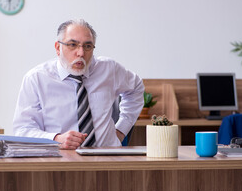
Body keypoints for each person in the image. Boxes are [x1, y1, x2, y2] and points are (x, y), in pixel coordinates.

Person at [12, 19, 144, 149]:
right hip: (61, 160)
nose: (81, 53)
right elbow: (22, 130)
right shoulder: (37, 78)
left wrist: (121, 129)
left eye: (87, 46)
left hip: (108, 157)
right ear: (58, 48)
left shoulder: (108, 69)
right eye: (72, 45)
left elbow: (136, 87)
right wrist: (56, 139)